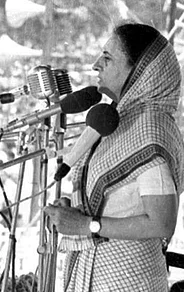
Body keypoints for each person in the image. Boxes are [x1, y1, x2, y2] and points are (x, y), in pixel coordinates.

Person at [43, 23, 184, 291]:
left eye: (107, 58)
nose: (96, 65)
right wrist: (77, 207)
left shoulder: (149, 128)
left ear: (140, 72)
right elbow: (121, 201)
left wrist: (86, 224)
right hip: (100, 273)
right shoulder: (120, 121)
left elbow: (162, 222)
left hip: (129, 280)